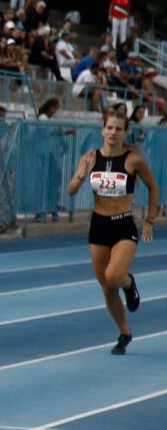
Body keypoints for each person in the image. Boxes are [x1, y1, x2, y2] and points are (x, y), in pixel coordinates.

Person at [67, 114, 158, 355]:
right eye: (109, 127)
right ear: (102, 130)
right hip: (99, 226)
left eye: (118, 129)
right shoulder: (89, 158)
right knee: (107, 288)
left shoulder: (133, 161)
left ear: (125, 132)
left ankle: (129, 283)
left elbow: (153, 187)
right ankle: (125, 333)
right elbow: (71, 191)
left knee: (114, 275)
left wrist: (149, 221)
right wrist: (81, 175)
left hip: (123, 225)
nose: (113, 132)